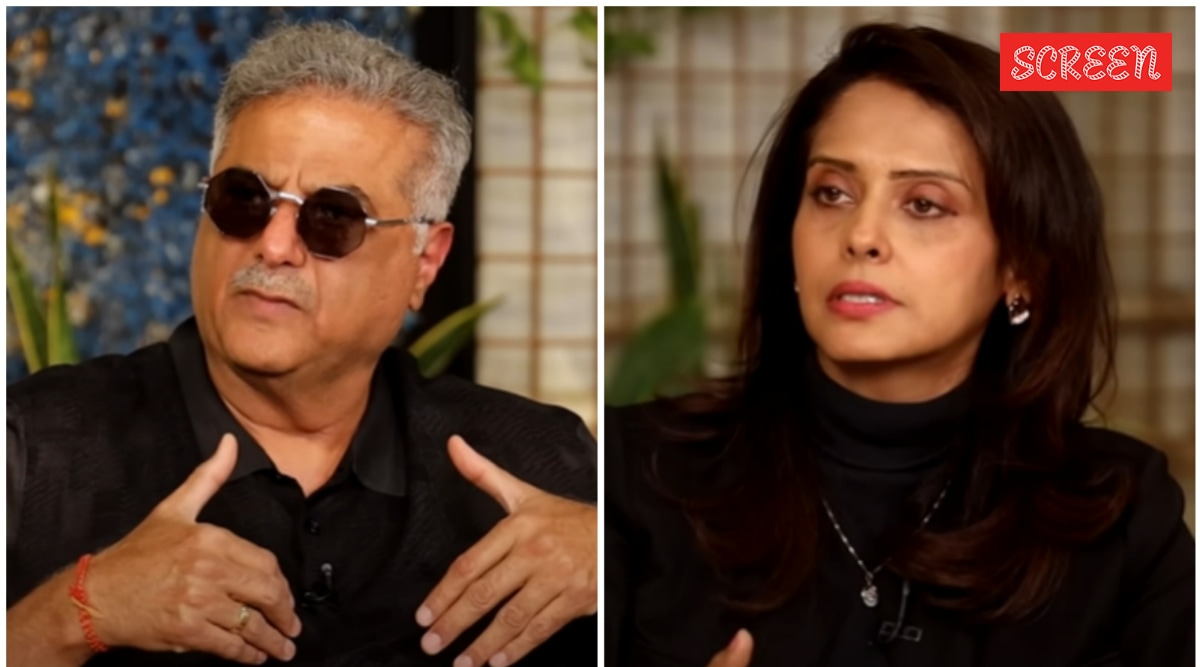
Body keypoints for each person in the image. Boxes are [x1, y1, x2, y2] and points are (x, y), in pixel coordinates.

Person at [7, 21, 597, 667]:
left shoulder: (544, 465)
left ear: (425, 262)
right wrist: (77, 611)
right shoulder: (34, 447)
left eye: (333, 216)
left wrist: (618, 560)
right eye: (244, 199)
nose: (274, 245)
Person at [606, 23, 1193, 667]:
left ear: (1020, 266)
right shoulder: (631, 475)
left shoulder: (1122, 514)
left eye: (924, 204)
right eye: (832, 193)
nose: (861, 236)